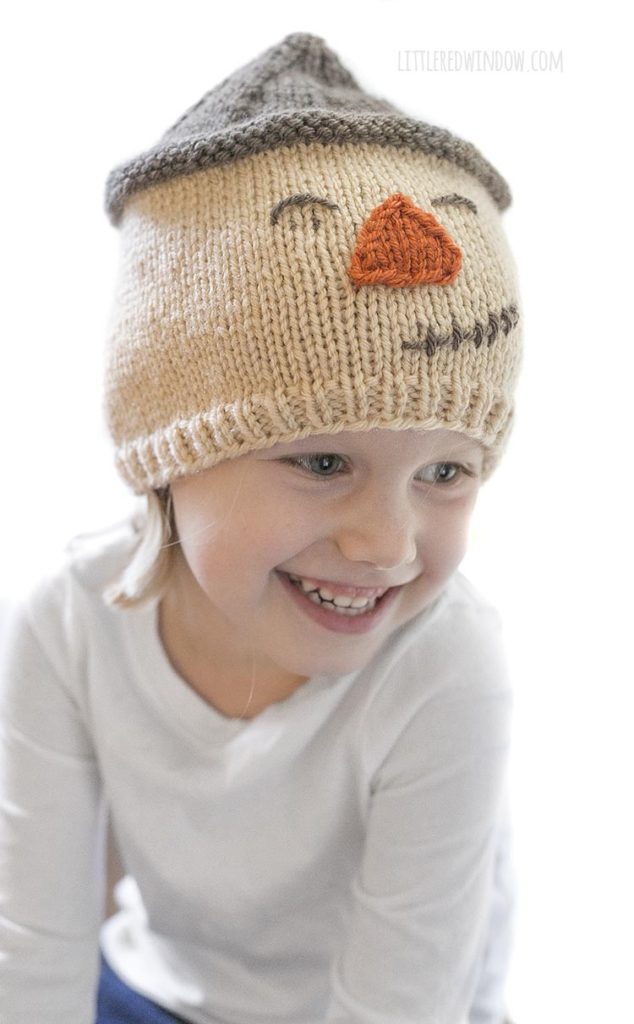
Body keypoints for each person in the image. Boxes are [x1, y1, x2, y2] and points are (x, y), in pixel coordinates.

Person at [0, 31, 522, 1024]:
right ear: (168, 452)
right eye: (322, 462)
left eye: (445, 472)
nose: (386, 545)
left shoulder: (446, 664)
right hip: (149, 994)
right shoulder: (66, 625)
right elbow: (31, 956)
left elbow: (398, 1007)